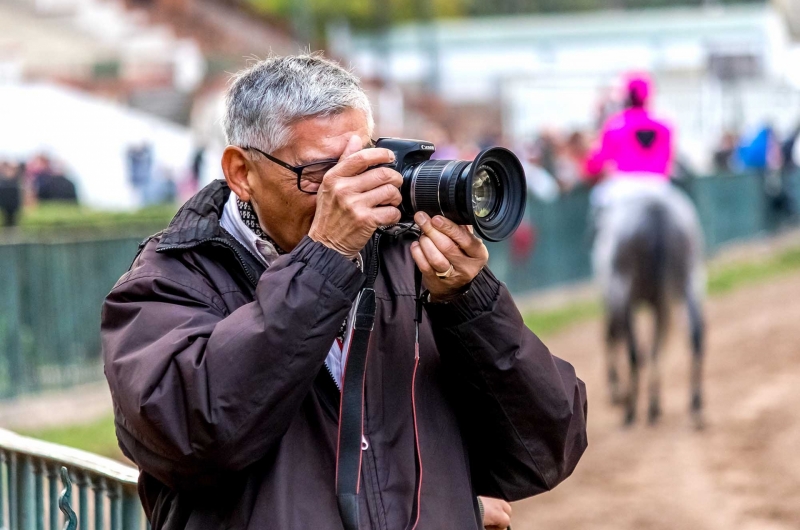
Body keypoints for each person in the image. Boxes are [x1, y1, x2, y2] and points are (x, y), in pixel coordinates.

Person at [101, 54, 588, 530]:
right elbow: (194, 436)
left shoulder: (408, 261)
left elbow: (545, 448)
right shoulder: (169, 280)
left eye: (363, 165)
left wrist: (472, 303)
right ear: (242, 173)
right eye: (320, 174)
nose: (349, 191)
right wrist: (325, 257)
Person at [583, 72, 673, 213]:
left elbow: (596, 163)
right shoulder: (664, 125)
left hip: (623, 186)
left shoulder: (616, 124)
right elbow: (669, 161)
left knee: (596, 200)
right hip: (659, 186)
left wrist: (590, 165)